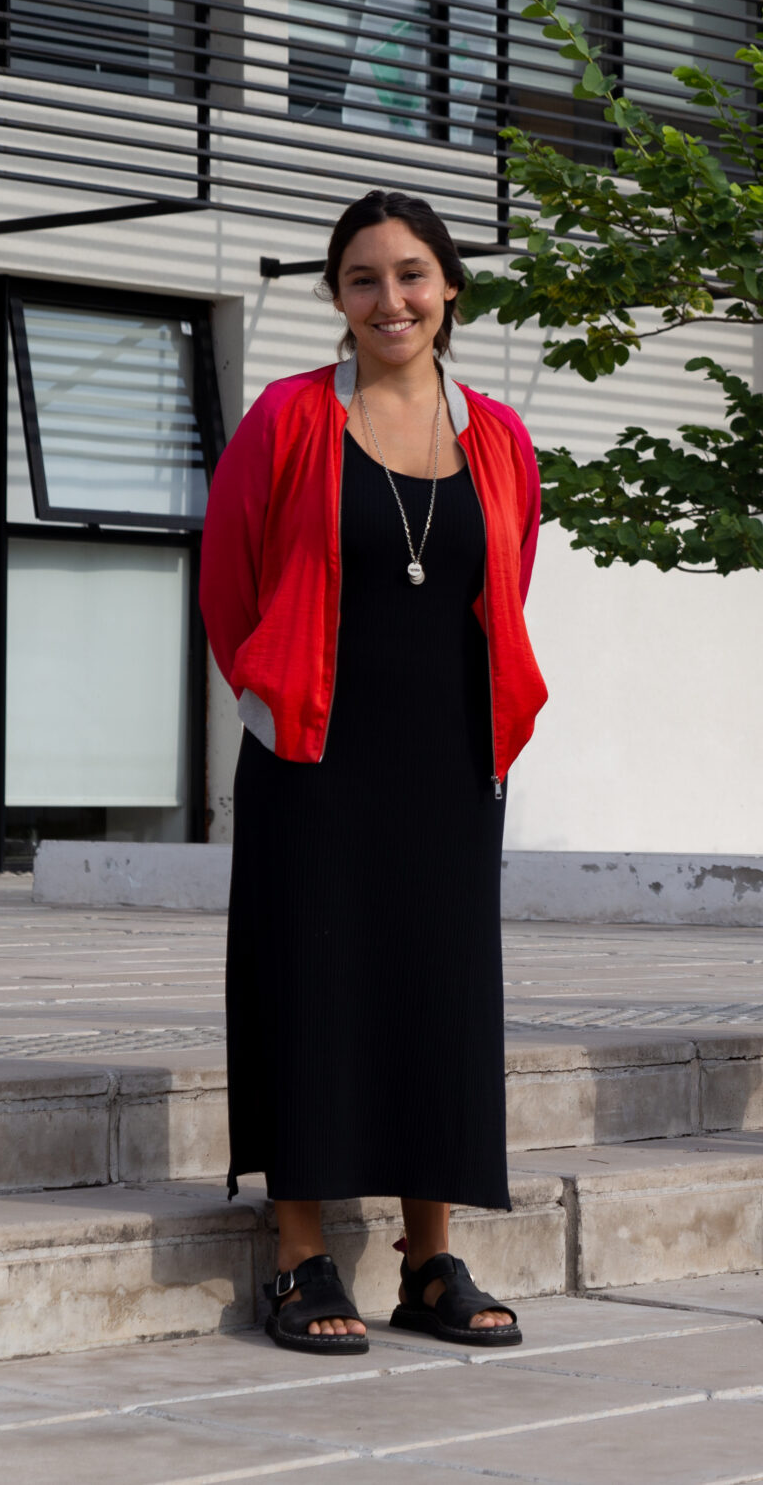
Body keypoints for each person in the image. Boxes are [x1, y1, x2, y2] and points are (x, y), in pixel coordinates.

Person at [202, 190, 551, 1352]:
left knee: (438, 992)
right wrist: (269, 700)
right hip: (313, 747)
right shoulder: (288, 419)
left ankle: (429, 1255)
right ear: (337, 299)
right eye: (362, 278)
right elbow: (230, 580)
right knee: (309, 983)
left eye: (410, 274)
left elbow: (507, 584)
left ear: (448, 287)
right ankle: (299, 1257)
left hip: (449, 754)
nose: (388, 298)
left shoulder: (498, 436)